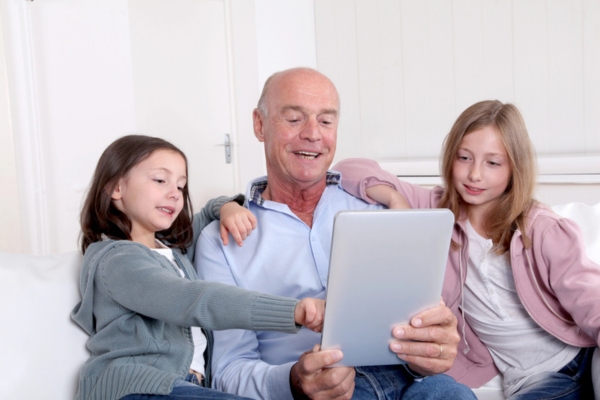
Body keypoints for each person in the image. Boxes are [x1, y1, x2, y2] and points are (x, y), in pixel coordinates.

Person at [193, 68, 476, 399]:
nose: (313, 134)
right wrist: (294, 381)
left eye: (326, 121)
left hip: (409, 383)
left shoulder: (376, 209)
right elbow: (228, 372)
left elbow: (416, 322)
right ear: (260, 124)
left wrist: (428, 352)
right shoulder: (220, 242)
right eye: (295, 119)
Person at [334, 100, 600, 399]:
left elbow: (590, 298)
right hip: (538, 379)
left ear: (515, 168)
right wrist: (395, 200)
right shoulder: (434, 209)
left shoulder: (540, 227)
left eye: (493, 163)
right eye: (464, 158)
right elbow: (349, 169)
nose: (475, 174)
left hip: (585, 355)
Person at [70, 134, 325, 400]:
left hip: (184, 387)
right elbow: (191, 299)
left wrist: (226, 207)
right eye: (160, 180)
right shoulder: (117, 260)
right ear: (116, 188)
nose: (174, 193)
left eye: (181, 186)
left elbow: (205, 214)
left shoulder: (174, 250)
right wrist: (294, 310)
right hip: (137, 387)